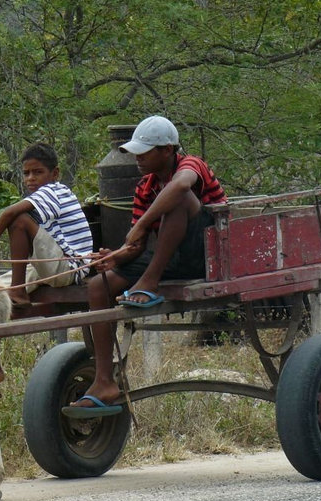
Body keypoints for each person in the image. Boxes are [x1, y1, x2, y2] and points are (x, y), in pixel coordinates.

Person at [65, 115, 227, 417]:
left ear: (167, 150)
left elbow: (180, 187)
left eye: (144, 152)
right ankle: (103, 381)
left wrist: (140, 226)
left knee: (180, 197)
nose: (138, 158)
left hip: (208, 256)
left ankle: (149, 281)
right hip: (169, 257)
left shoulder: (191, 165)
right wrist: (115, 256)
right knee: (98, 285)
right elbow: (136, 245)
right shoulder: (145, 187)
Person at [0, 142, 93, 385]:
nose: (30, 179)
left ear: (54, 174)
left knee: (19, 220)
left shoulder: (55, 191)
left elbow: (8, 214)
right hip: (50, 265)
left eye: (37, 172)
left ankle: (19, 292)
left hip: (69, 267)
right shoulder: (42, 197)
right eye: (26, 173)